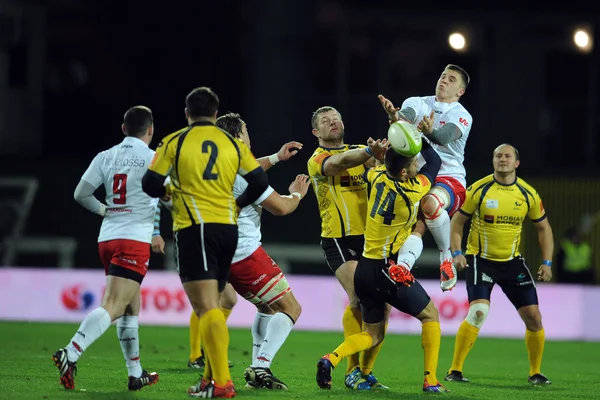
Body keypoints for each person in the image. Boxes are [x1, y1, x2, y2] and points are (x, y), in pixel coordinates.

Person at [142, 87, 269, 398]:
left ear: (187, 113)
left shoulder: (175, 141)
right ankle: (210, 379)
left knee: (206, 307)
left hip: (194, 228)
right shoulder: (233, 143)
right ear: (215, 114)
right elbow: (259, 182)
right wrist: (238, 204)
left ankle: (222, 384)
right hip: (228, 229)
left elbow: (150, 183)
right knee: (218, 304)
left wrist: (168, 193)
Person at [316, 140, 450, 393]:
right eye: (411, 165)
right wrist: (417, 137)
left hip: (365, 268)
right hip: (388, 270)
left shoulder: (376, 176)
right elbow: (434, 162)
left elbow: (379, 166)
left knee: (372, 334)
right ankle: (431, 380)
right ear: (403, 172)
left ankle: (331, 358)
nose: (415, 168)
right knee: (430, 315)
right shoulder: (412, 189)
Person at [52, 106, 162, 391]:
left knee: (130, 307)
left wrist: (106, 210)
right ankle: (71, 352)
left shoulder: (106, 156)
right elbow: (168, 197)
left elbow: (80, 194)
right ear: (150, 130)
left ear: (124, 129)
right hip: (134, 239)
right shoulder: (154, 159)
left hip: (108, 237)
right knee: (114, 305)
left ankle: (135, 373)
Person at [214, 112, 309, 390]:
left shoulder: (218, 164)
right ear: (238, 137)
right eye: (245, 131)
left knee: (266, 306)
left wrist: (277, 158)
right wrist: (296, 194)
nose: (249, 135)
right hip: (245, 253)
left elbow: (250, 167)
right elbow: (281, 207)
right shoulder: (246, 175)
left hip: (221, 252)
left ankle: (258, 369)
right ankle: (261, 365)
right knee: (291, 308)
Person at [445, 143, 554, 386]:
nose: (501, 159)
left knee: (534, 318)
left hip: (512, 262)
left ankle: (535, 372)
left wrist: (547, 261)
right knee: (478, 312)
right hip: (480, 259)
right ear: (493, 161)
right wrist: (457, 252)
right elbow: (457, 222)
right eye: (497, 155)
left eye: (507, 156)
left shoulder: (528, 194)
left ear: (516, 163)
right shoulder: (479, 190)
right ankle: (455, 370)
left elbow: (543, 228)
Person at [307, 106, 389, 390]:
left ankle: (365, 371)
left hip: (371, 240)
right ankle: (351, 371)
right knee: (360, 295)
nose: (333, 122)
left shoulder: (360, 151)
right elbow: (338, 163)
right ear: (316, 132)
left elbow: (387, 167)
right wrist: (371, 153)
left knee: (383, 305)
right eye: (325, 121)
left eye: (337, 118)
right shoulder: (318, 159)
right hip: (339, 241)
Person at [379, 64, 472, 292]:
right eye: (443, 76)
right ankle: (402, 268)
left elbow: (442, 137)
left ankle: (446, 258)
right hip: (417, 177)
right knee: (415, 228)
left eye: (451, 80)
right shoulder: (418, 102)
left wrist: (429, 131)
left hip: (449, 179)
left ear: (460, 91)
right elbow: (406, 116)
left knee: (430, 203)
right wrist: (395, 116)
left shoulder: (462, 115)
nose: (444, 81)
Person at [151, 184, 238, 370]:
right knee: (206, 300)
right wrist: (155, 232)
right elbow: (156, 197)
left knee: (228, 299)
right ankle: (196, 356)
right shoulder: (178, 171)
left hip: (212, 237)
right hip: (190, 237)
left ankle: (207, 350)